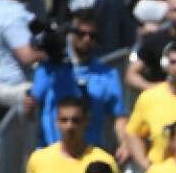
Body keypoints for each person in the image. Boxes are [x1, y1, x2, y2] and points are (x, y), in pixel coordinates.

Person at [29, 9, 128, 150]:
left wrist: (125, 143)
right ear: (71, 34)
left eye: (92, 36)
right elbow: (32, 106)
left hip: (89, 156)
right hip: (52, 154)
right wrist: (28, 105)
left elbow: (119, 116)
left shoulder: (108, 75)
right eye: (81, 34)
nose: (87, 39)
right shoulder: (50, 69)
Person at [27, 97, 120, 173]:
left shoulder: (104, 161)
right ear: (56, 122)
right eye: (64, 120)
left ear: (86, 121)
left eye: (75, 121)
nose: (69, 126)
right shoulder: (39, 160)